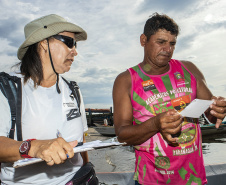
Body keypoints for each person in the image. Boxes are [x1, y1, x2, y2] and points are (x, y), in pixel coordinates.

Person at [113, 12, 226, 185]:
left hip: (193, 178)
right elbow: (122, 135)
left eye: (172, 43)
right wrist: (155, 123)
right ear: (144, 40)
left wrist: (218, 109)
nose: (168, 49)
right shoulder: (126, 80)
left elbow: (210, 114)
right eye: (161, 42)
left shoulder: (189, 69)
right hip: (152, 180)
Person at [0, 14, 89, 184]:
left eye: (75, 45)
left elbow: (82, 144)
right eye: (68, 42)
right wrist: (34, 147)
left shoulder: (73, 89)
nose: (75, 51)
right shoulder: (7, 88)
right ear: (43, 43)